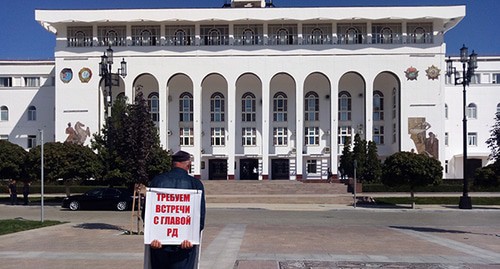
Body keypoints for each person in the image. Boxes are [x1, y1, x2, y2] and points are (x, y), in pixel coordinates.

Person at [147, 150, 205, 269]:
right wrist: (192, 237)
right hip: (184, 245)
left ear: (172, 164)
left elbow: (147, 213)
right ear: (188, 165)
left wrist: (152, 236)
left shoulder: (157, 181)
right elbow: (200, 216)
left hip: (159, 245)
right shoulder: (195, 184)